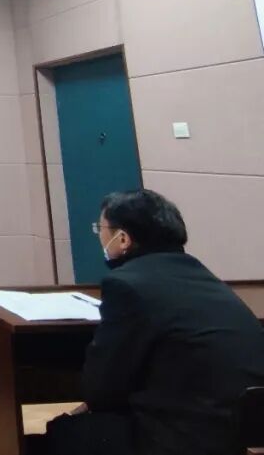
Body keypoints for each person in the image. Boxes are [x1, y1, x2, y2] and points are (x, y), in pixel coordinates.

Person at [28, 189, 264, 455]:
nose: (99, 236)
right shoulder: (206, 278)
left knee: (59, 432)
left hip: (182, 439)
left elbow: (101, 390)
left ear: (123, 239)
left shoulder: (126, 286)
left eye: (100, 228)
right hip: (243, 433)